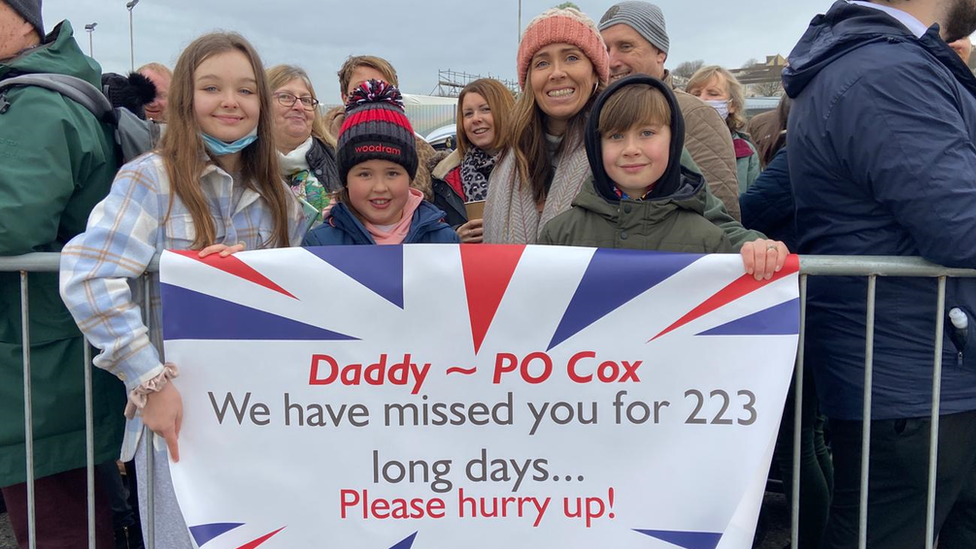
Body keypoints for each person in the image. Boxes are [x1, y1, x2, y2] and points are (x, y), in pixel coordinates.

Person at [60, 32, 305, 549]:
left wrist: (259, 276)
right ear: (185, 101)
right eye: (212, 87)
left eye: (245, 90)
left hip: (263, 411)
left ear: (261, 101)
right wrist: (146, 379)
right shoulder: (151, 181)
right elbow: (88, 273)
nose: (230, 102)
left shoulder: (281, 200)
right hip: (179, 413)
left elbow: (303, 297)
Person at [784, 1, 976, 547]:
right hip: (915, 377)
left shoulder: (881, 63)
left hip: (925, 367)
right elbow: (960, 225)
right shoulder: (885, 72)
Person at [0, 2, 126, 547]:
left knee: (56, 520)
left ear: (25, 18)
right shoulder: (51, 91)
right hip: (48, 349)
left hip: (36, 358)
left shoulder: (36, 103)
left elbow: (10, 220)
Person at [539, 75, 787, 279]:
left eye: (647, 133)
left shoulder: (709, 239)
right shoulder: (559, 234)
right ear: (596, 146)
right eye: (615, 136)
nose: (631, 148)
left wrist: (761, 251)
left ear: (674, 141)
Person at [598, 1, 742, 220]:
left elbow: (720, 215)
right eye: (605, 50)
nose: (612, 61)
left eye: (625, 47)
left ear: (660, 53)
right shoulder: (598, 113)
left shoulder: (695, 115)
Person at [483, 7, 610, 244]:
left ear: (595, 72)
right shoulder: (510, 156)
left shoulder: (623, 144)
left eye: (571, 57)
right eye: (542, 63)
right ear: (529, 79)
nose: (556, 73)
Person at [303, 80, 458, 246]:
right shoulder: (320, 245)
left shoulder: (443, 240)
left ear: (410, 177)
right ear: (345, 179)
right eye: (365, 174)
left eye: (392, 173)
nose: (380, 187)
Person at [326, 54, 438, 201]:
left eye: (382, 88)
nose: (372, 95)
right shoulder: (321, 149)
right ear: (344, 97)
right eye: (361, 88)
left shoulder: (423, 152)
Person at [431, 78, 514, 240]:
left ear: (505, 112)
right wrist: (455, 235)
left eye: (485, 109)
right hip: (471, 263)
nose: (476, 119)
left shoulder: (533, 165)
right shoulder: (443, 178)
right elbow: (435, 231)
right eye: (468, 113)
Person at [267, 64, 341, 226]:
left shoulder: (339, 159)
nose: (299, 106)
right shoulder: (241, 162)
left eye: (306, 100)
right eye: (286, 97)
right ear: (262, 104)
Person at [686, 65, 760, 193]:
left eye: (713, 93)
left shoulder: (746, 152)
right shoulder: (673, 145)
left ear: (733, 105)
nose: (702, 99)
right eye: (696, 94)